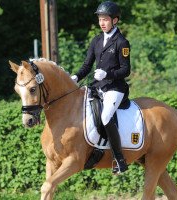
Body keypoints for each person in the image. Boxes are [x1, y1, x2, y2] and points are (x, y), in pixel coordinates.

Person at [71, 1, 131, 174]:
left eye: (105, 19)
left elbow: (126, 70)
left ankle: (119, 160)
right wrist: (76, 77)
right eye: (100, 19)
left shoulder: (122, 42)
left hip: (115, 88)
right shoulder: (96, 40)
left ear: (115, 20)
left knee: (105, 117)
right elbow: (87, 65)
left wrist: (108, 74)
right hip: (98, 86)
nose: (102, 23)